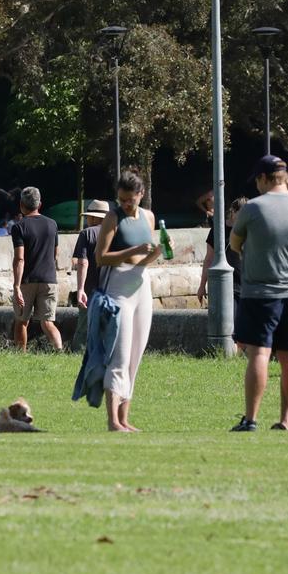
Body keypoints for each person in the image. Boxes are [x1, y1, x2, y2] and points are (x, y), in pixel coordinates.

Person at [95, 171, 167, 432]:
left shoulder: (148, 217)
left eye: (130, 200)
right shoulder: (113, 217)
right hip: (117, 285)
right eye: (122, 199)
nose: (126, 204)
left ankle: (125, 417)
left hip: (141, 283)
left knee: (136, 352)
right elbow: (101, 257)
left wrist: (156, 253)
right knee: (120, 352)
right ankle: (113, 420)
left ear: (141, 195)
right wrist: (133, 251)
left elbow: (144, 260)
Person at [229, 156, 288, 432]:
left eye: (258, 179)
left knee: (259, 353)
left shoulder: (253, 208)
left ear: (266, 178)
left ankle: (251, 419)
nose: (256, 185)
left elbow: (235, 244)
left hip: (259, 293)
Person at [11, 186, 63, 352]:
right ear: (39, 204)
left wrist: (17, 286)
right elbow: (56, 253)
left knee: (22, 321)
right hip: (49, 279)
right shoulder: (52, 224)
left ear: (21, 205)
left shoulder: (19, 227)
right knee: (47, 322)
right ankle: (59, 351)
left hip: (27, 280)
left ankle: (21, 356)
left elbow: (20, 258)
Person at [70, 199, 111, 352]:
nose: (87, 220)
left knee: (83, 328)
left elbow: (83, 262)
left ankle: (78, 354)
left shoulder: (86, 233)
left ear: (94, 218)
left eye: (88, 217)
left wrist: (80, 289)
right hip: (112, 289)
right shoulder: (116, 232)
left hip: (91, 290)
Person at [196, 196, 246, 318]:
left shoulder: (249, 229)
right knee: (230, 322)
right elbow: (209, 259)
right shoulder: (218, 231)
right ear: (233, 212)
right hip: (226, 286)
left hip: (247, 286)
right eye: (242, 213)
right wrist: (202, 286)